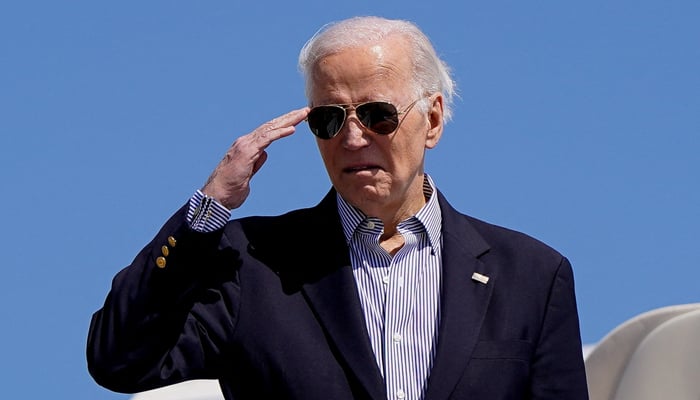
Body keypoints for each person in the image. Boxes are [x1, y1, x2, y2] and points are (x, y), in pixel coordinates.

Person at [87, 16, 589, 400]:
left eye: (376, 114)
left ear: (432, 120)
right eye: (329, 119)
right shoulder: (252, 263)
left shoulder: (531, 276)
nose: (352, 137)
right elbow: (119, 360)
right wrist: (207, 211)